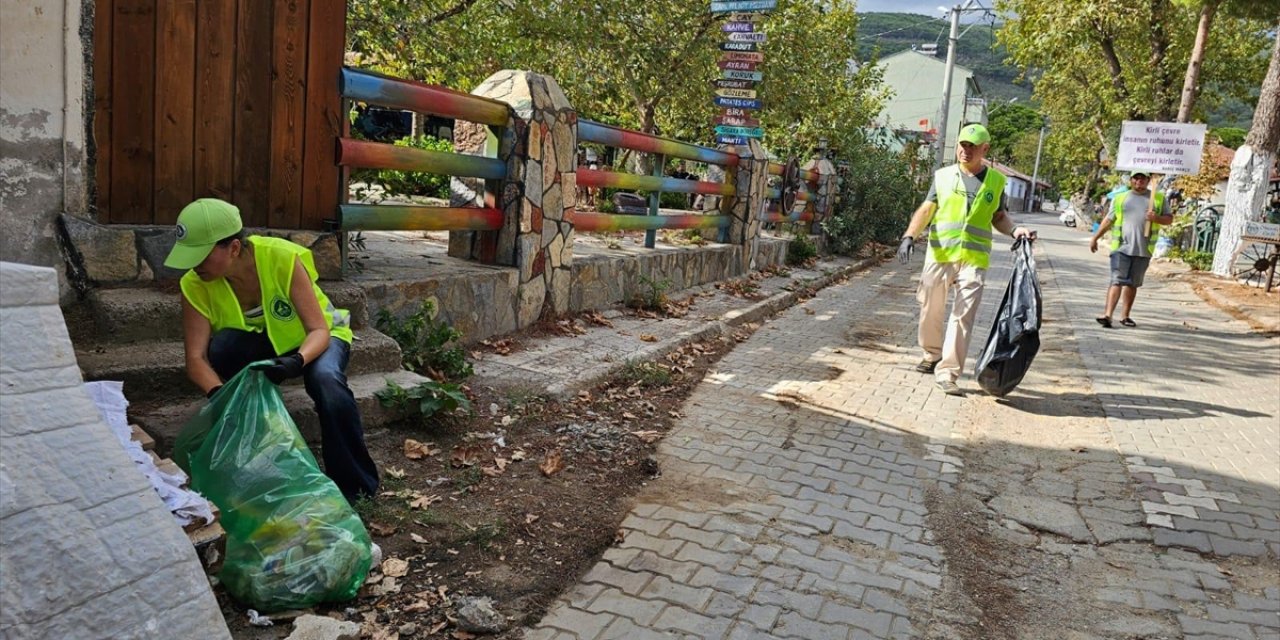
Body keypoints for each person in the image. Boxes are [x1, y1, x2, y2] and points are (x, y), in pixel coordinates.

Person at [163, 198, 380, 503]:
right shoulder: (195, 284)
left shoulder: (281, 257)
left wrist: (296, 361)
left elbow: (319, 330)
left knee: (327, 381)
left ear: (234, 248)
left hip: (317, 339)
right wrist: (223, 396)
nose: (194, 265)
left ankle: (355, 486)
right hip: (266, 344)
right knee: (223, 347)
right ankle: (259, 462)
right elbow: (196, 359)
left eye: (201, 256)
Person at [896, 124, 1036, 396]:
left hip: (974, 258)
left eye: (972, 146)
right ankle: (932, 353)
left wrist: (1015, 230)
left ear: (985, 149)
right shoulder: (943, 176)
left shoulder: (996, 181)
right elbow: (928, 208)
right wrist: (909, 236)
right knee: (930, 308)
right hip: (940, 254)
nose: (965, 150)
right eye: (963, 144)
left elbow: (999, 216)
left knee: (963, 316)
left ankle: (948, 372)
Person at [1089, 171, 1173, 328]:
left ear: (1148, 180)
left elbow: (1169, 218)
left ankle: (1125, 316)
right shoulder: (1120, 198)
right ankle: (1107, 315)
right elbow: (1109, 220)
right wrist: (1095, 238)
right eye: (1136, 178)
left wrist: (1157, 218)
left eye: (1142, 178)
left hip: (1144, 249)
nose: (1139, 181)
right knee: (1117, 280)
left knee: (1132, 284)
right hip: (1121, 247)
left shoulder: (1158, 198)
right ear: (1131, 180)